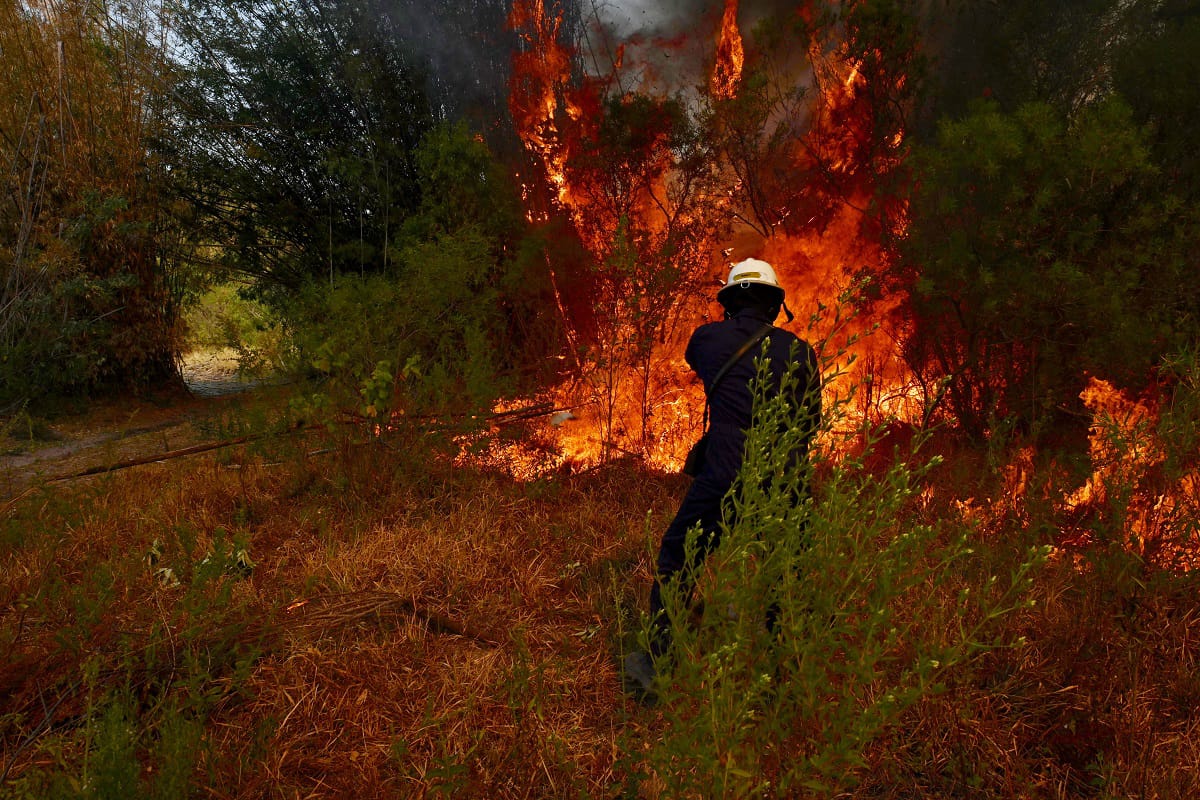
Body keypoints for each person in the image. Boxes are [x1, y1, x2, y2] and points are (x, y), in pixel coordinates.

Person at [623, 258, 821, 701]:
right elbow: (811, 421)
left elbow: (697, 357)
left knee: (681, 555)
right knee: (786, 572)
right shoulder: (802, 353)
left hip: (725, 467)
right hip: (784, 471)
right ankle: (784, 679)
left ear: (730, 302)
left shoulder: (708, 340)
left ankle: (658, 666)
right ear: (774, 306)